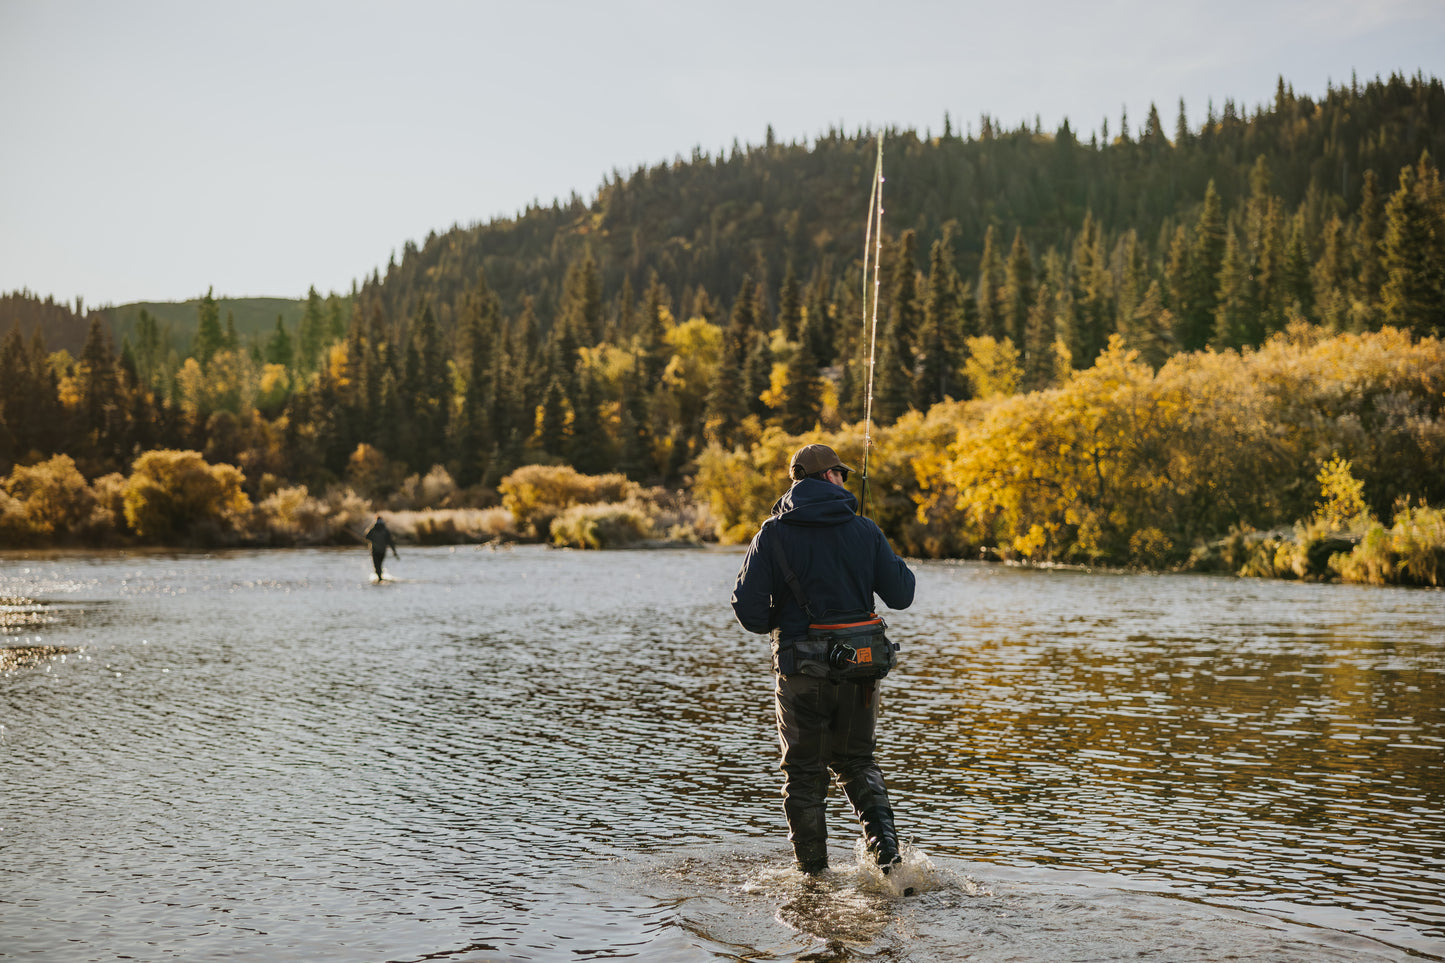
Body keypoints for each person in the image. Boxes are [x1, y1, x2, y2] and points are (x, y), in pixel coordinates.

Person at [730, 443, 916, 876]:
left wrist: (789, 622)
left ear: (798, 482)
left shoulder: (772, 533)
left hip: (800, 670)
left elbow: (748, 610)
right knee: (856, 761)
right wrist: (877, 546)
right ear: (830, 476)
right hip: (861, 668)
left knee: (804, 774)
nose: (845, 480)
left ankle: (813, 878)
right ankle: (889, 861)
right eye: (841, 474)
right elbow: (903, 595)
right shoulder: (865, 529)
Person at [364, 514, 399, 580]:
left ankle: (379, 578)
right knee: (379, 565)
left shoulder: (373, 529)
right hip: (382, 551)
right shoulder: (385, 530)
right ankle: (380, 577)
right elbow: (390, 542)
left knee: (376, 566)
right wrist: (394, 552)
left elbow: (367, 536)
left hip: (375, 551)